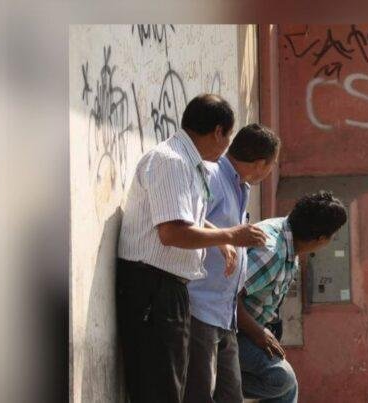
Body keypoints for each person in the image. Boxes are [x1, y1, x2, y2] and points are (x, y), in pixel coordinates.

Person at [116, 94, 268, 403]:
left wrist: (220, 239)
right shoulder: (171, 161)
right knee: (160, 390)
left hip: (169, 289)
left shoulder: (190, 164)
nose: (227, 148)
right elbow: (172, 232)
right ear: (217, 132)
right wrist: (231, 234)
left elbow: (188, 217)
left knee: (172, 387)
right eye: (228, 137)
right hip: (152, 287)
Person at [184, 123, 281, 403]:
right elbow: (186, 216)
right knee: (199, 394)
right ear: (261, 163)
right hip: (200, 305)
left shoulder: (239, 186)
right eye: (272, 165)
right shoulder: (213, 174)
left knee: (230, 395)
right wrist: (224, 237)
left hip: (224, 313)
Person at [237, 191, 348, 403]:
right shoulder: (272, 253)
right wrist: (258, 333)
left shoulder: (289, 242)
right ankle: (218, 382)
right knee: (281, 379)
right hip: (224, 331)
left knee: (287, 387)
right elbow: (226, 297)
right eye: (332, 236)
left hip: (245, 330)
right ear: (320, 238)